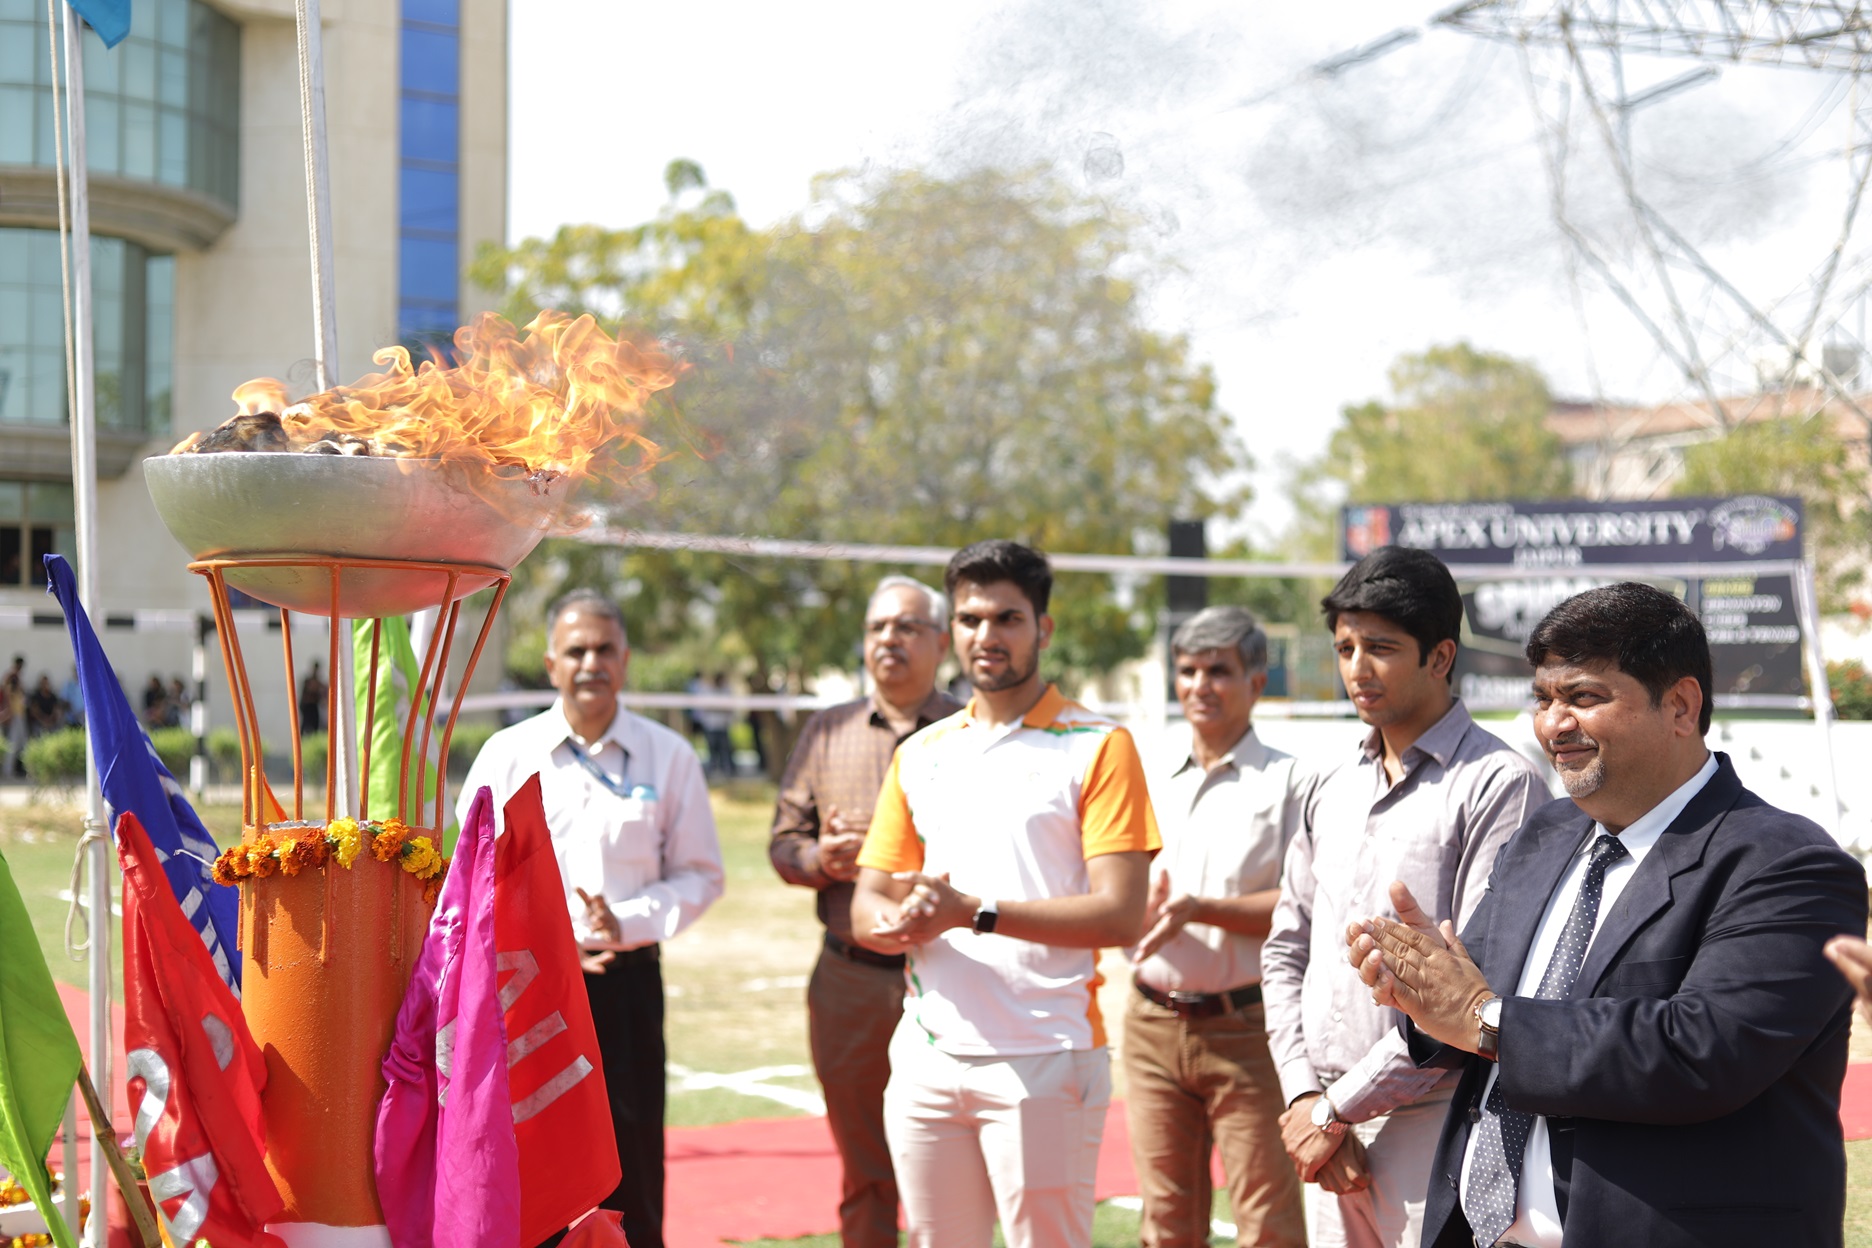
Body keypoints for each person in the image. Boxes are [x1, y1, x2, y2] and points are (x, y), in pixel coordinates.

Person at [1349, 582, 1868, 1248]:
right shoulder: (1544, 836)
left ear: (1680, 706)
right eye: (1543, 699)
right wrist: (1421, 987)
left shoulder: (1787, 864)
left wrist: (1482, 1016)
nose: (1552, 725)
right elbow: (1470, 1009)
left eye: (1584, 697)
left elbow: (1700, 1052)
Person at [849, 539, 1159, 1248]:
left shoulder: (1098, 744)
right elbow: (868, 900)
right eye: (970, 619)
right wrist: (900, 922)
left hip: (1044, 1055)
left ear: (1042, 629)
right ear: (952, 630)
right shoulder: (921, 752)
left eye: (1007, 619)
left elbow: (1121, 913)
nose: (986, 635)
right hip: (927, 1054)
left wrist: (972, 914)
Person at [1261, 546, 1547, 1248]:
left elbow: (1477, 989)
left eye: (1381, 647)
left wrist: (1336, 1109)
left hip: (1439, 1120)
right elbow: (1285, 949)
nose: (1358, 667)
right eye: (1346, 648)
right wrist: (1306, 1096)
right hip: (1321, 1122)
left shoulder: (1500, 785)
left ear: (1441, 655)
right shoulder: (1330, 784)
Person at [457, 588, 725, 1248]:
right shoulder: (507, 755)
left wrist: (623, 923)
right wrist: (547, 944)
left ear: (626, 660)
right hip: (524, 996)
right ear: (551, 664)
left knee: (631, 1166)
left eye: (605, 649)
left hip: (624, 988)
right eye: (576, 651)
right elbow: (467, 877)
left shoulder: (669, 756)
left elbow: (701, 874)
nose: (591, 663)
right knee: (531, 1167)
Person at [769, 574, 963, 1248]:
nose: (890, 639)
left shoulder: (974, 732)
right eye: (878, 627)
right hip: (850, 980)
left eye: (907, 626)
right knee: (866, 1172)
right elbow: (783, 843)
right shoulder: (829, 730)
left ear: (942, 643)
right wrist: (822, 860)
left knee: (956, 1175)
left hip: (953, 975)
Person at [1124, 606, 1307, 1248]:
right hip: (1149, 1023)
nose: (1200, 685)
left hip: (1249, 1027)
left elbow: (1304, 904)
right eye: (1188, 670)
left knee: (1267, 1223)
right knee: (1165, 1222)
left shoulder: (1292, 780)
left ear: (1256, 681)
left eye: (1218, 671)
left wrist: (1198, 908)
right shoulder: (1145, 772)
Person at [298, 662, 327, 736]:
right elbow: (312, 687)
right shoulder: (308, 681)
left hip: (314, 706)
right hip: (307, 706)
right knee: (306, 724)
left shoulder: (316, 681)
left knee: (315, 725)